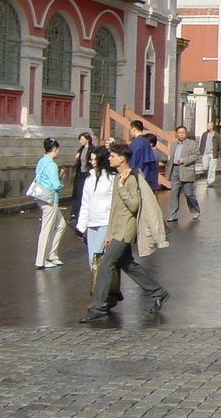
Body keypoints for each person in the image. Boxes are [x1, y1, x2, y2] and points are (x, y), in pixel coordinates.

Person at [79, 143, 170, 322]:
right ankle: (159, 292)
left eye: (112, 156)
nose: (110, 158)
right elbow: (114, 210)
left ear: (122, 158)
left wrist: (121, 186)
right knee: (128, 265)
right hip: (117, 230)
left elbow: (134, 205)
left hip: (125, 230)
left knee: (106, 264)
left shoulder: (130, 178)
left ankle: (99, 306)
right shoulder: (118, 177)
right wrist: (109, 233)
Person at [75, 145, 124, 310]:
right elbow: (85, 203)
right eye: (90, 159)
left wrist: (112, 227)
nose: (91, 162)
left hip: (105, 222)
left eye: (94, 159)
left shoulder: (111, 178)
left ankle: (101, 297)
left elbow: (116, 202)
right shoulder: (89, 178)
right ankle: (110, 292)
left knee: (100, 261)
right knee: (92, 261)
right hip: (91, 224)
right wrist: (80, 227)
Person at [33, 137, 66, 269]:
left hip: (41, 197)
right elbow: (55, 185)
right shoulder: (52, 164)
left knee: (61, 225)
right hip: (50, 199)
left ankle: (52, 254)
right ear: (55, 149)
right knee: (46, 229)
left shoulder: (42, 161)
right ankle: (41, 260)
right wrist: (61, 182)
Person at [165, 125, 202, 221]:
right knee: (174, 194)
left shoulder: (192, 144)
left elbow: (197, 155)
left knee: (189, 193)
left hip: (186, 170)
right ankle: (173, 215)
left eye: (183, 133)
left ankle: (195, 210)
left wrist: (184, 160)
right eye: (180, 133)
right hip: (175, 170)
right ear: (176, 134)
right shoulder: (173, 144)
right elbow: (171, 158)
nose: (182, 134)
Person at [69, 130, 94, 231]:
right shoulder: (81, 150)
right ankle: (74, 214)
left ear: (87, 140)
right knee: (78, 193)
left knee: (86, 193)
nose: (80, 141)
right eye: (80, 139)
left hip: (88, 174)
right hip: (81, 174)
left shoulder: (92, 150)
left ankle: (84, 214)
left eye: (82, 139)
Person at [128, 120, 159, 191]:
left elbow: (133, 160)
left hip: (139, 173)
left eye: (131, 129)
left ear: (134, 129)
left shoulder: (136, 143)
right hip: (147, 173)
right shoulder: (146, 141)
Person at [199, 122, 221, 187]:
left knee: (212, 168)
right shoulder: (204, 134)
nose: (207, 127)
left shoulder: (216, 135)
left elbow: (220, 145)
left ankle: (210, 181)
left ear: (212, 127)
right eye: (207, 126)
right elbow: (201, 143)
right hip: (205, 153)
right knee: (205, 167)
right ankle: (208, 177)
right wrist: (200, 152)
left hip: (213, 153)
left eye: (209, 126)